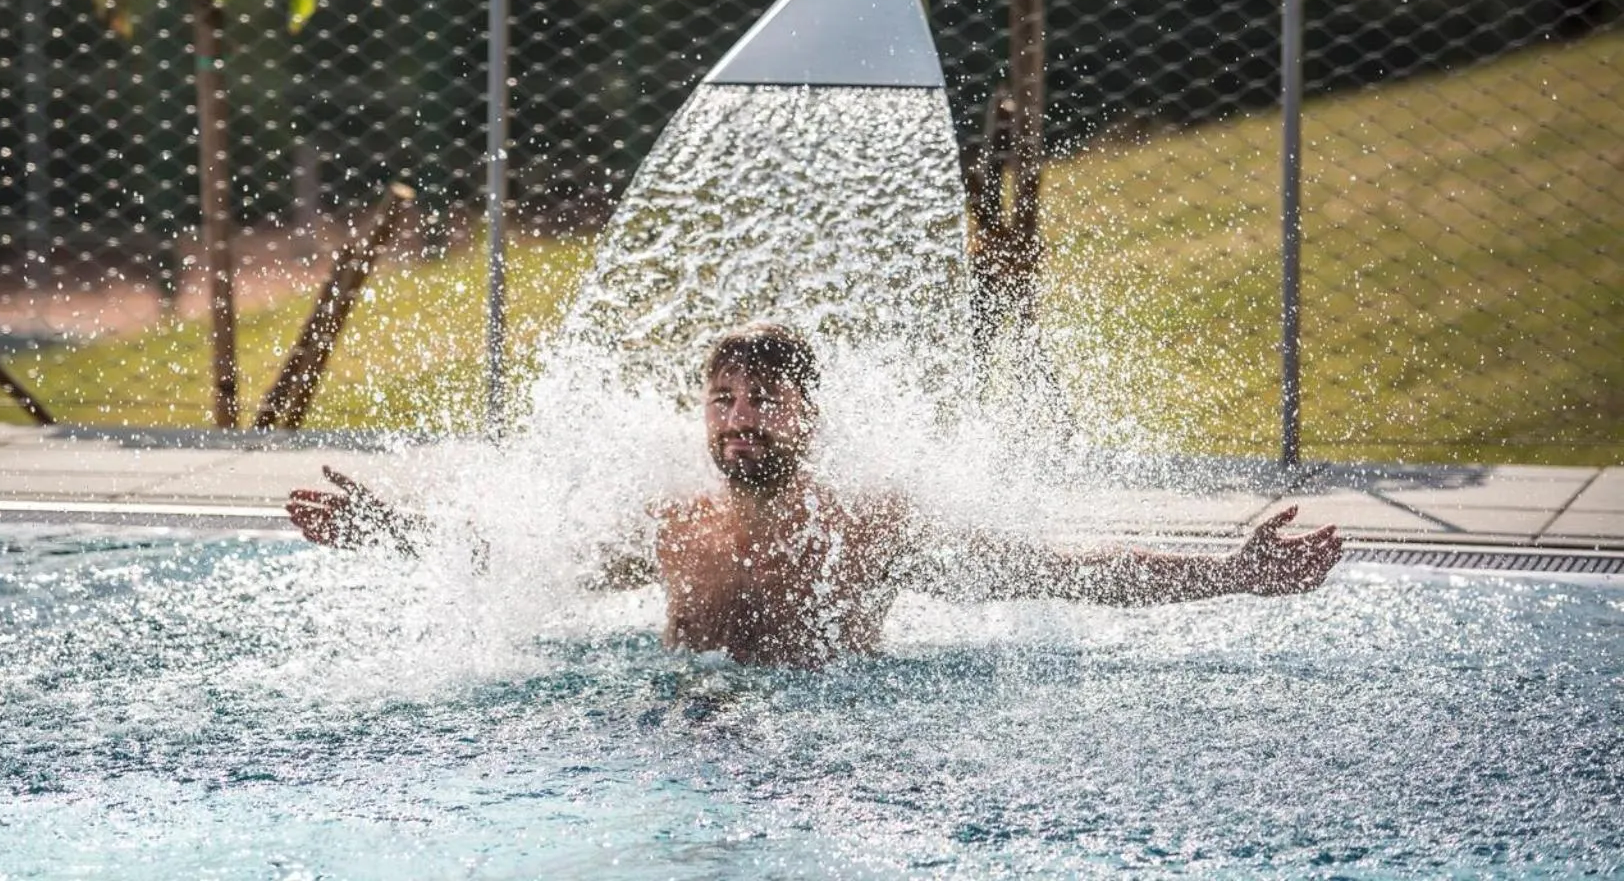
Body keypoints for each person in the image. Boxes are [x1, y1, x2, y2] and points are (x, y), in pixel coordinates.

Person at [286, 323, 1344, 668]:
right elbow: (519, 563)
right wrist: (390, 528)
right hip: (681, 729)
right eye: (724, 398)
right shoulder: (669, 521)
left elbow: (1059, 567)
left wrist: (1230, 573)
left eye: (766, 399)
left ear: (811, 417)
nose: (741, 418)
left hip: (832, 738)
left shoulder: (873, 523)